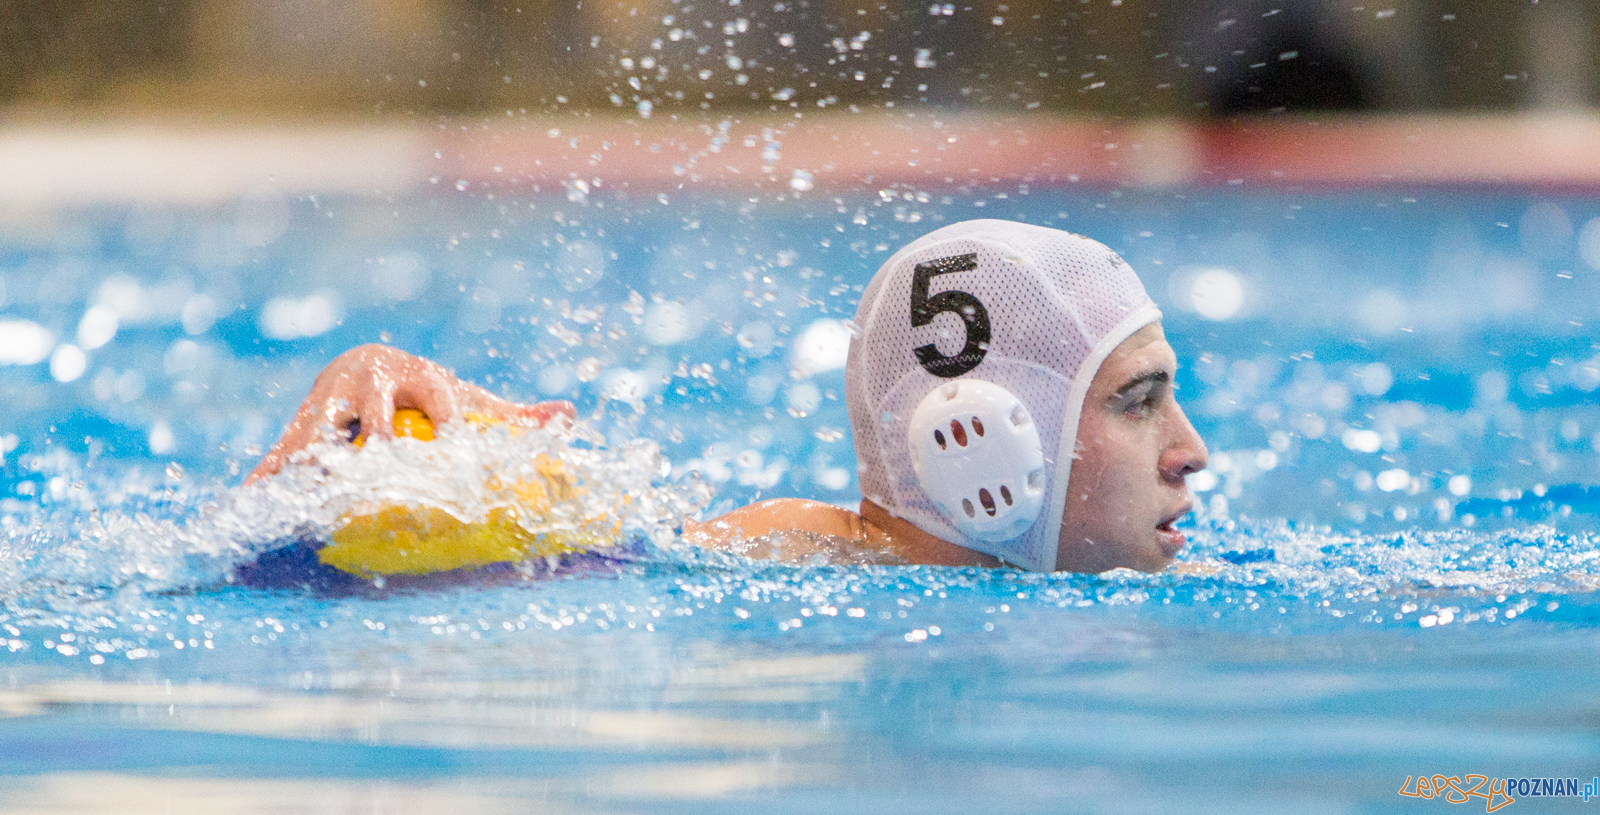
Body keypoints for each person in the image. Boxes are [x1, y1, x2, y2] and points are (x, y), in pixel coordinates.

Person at [249, 220, 1208, 574]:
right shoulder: (773, 559)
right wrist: (362, 384)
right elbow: (293, 557)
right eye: (1137, 400)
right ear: (984, 438)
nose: (1191, 447)